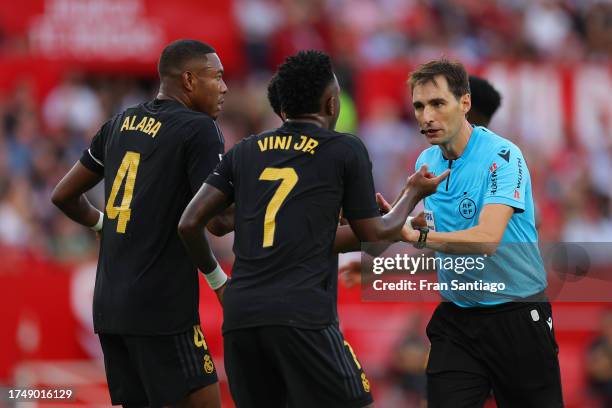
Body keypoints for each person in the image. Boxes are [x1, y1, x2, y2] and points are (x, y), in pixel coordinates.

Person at [178, 50, 449, 408]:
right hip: (302, 316)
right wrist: (412, 194)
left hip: (242, 318)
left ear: (280, 107)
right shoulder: (343, 149)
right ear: (331, 103)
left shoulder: (245, 151)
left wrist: (218, 282)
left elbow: (199, 222)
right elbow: (373, 233)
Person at [51, 39, 229, 408]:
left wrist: (105, 226)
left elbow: (63, 195)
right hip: (161, 308)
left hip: (109, 306)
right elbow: (217, 222)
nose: (225, 87)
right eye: (217, 77)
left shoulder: (119, 123)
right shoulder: (199, 129)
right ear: (190, 80)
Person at [403, 59, 563, 407]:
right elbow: (439, 239)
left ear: (465, 103)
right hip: (458, 319)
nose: (425, 115)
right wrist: (409, 227)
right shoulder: (425, 163)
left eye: (437, 103)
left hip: (517, 317)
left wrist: (421, 238)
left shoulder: (503, 156)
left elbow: (487, 240)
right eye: (419, 105)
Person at [339, 74, 504, 288]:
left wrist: (397, 221)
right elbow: (444, 254)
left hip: (499, 308)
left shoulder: (492, 172)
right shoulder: (441, 166)